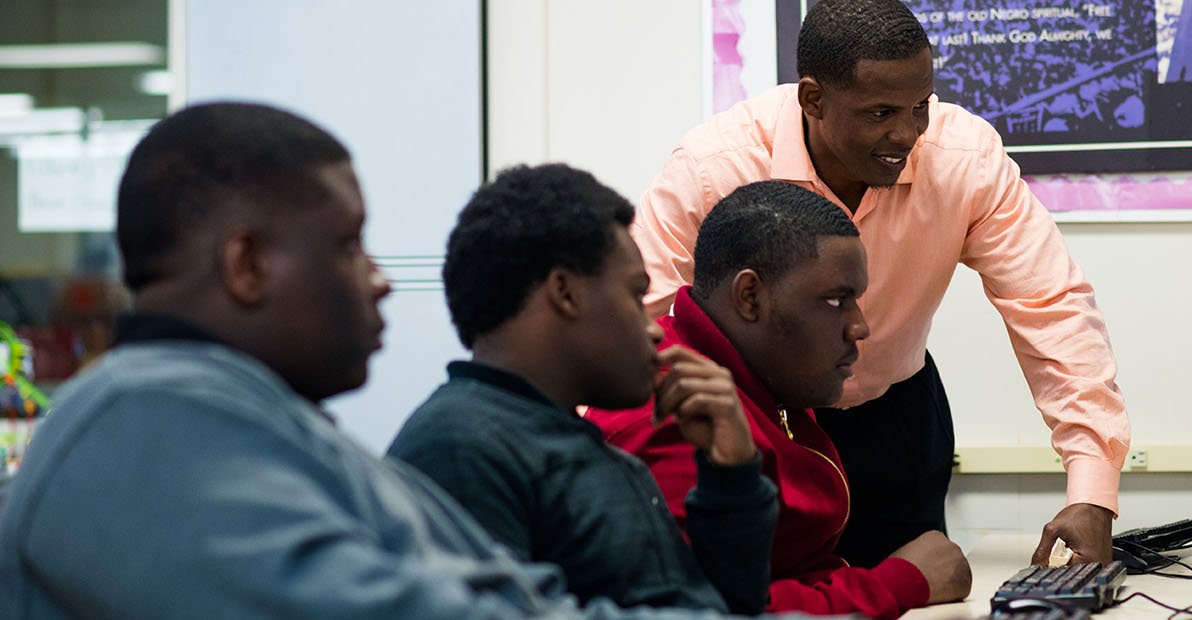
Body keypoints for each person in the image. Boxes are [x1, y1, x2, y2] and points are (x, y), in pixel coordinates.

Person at [0, 102, 776, 620]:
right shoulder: (139, 420)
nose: (376, 278)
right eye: (347, 245)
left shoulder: (262, 424)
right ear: (246, 265)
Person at [632, 0, 1131, 569]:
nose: (908, 133)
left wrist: (1092, 487)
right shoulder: (714, 167)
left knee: (923, 597)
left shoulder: (963, 159)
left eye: (921, 106)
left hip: (895, 420)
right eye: (880, 113)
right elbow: (640, 327)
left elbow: (1051, 308)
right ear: (813, 99)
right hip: (755, 433)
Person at [387, 163, 777, 614]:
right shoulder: (461, 446)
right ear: (565, 293)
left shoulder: (580, 444)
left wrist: (730, 476)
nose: (653, 331)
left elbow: (723, 608)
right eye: (635, 295)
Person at [589, 181, 972, 619]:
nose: (859, 327)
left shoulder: (767, 373)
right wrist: (901, 581)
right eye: (835, 300)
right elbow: (716, 609)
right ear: (750, 297)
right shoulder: (676, 409)